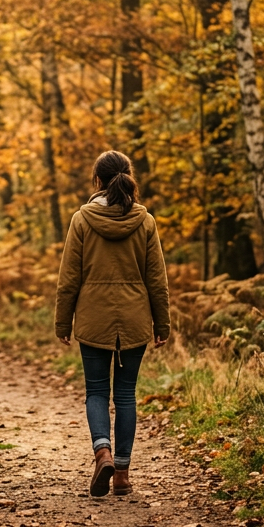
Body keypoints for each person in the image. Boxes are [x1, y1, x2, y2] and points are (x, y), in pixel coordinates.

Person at [54, 151, 170, 497]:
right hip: (134, 320)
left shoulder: (82, 219)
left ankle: (101, 451)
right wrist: (162, 323)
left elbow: (68, 278)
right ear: (128, 178)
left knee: (96, 391)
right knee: (125, 395)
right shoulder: (145, 221)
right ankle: (121, 474)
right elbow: (157, 280)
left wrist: (63, 321)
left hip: (93, 319)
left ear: (98, 182)